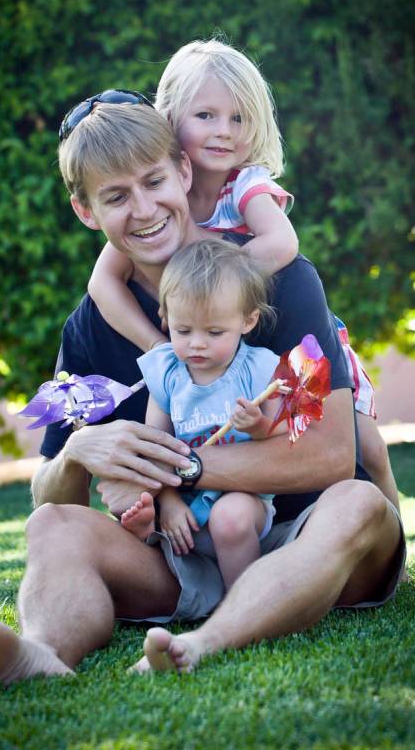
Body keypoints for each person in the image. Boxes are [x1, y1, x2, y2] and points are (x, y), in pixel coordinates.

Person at [0, 97, 405, 685]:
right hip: (183, 556)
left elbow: (333, 456)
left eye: (154, 181)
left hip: (311, 541)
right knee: (52, 528)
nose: (143, 210)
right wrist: (75, 453)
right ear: (86, 212)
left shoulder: (282, 284)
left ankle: (207, 641)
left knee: (359, 503)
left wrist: (185, 467)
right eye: (115, 197)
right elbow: (48, 492)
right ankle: (40, 652)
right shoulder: (88, 327)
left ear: (183, 174)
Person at [86, 39, 401, 516]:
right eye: (206, 116)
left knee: (367, 447)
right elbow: (101, 284)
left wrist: (217, 278)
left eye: (239, 119)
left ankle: (393, 535)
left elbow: (282, 244)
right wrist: (157, 346)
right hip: (214, 340)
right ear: (170, 118)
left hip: (302, 334)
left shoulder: (247, 184)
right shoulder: (159, 199)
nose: (224, 132)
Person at [121, 239, 287, 590]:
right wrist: (166, 502)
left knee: (230, 517)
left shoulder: (257, 369)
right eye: (184, 331)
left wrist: (257, 426)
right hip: (181, 503)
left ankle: (244, 606)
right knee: (132, 501)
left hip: (242, 497)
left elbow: (280, 429)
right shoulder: (168, 373)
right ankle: (147, 533)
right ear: (165, 317)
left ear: (247, 320)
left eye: (214, 332)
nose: (197, 343)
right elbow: (157, 447)